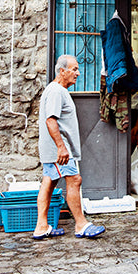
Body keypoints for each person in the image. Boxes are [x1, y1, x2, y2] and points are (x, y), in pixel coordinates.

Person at [34, 54, 106, 240]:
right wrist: (61, 147)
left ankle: (41, 227)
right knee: (74, 180)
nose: (78, 73)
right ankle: (81, 224)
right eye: (74, 69)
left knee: (49, 182)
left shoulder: (56, 90)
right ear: (62, 71)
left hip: (55, 150)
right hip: (59, 151)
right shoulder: (56, 91)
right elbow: (50, 120)